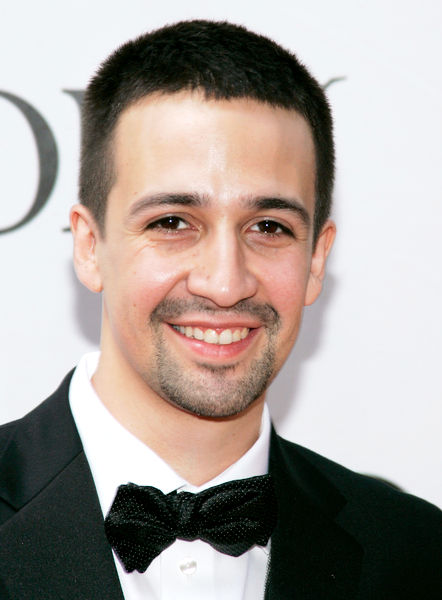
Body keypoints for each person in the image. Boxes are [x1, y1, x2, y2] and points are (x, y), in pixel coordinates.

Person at [0, 20, 440, 600]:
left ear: (315, 261)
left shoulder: (416, 554)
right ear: (89, 246)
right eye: (173, 223)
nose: (226, 283)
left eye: (268, 227)